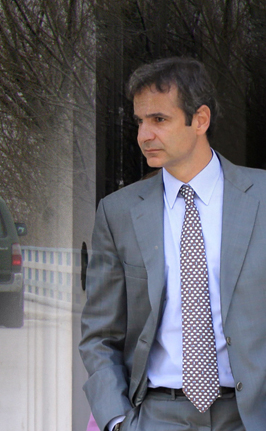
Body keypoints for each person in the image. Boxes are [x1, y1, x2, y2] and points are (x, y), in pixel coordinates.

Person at [79, 56, 266, 431]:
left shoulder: (261, 197)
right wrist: (117, 421)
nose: (143, 135)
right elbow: (100, 334)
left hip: (250, 417)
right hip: (156, 416)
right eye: (140, 121)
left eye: (159, 120)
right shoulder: (119, 212)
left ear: (200, 120)